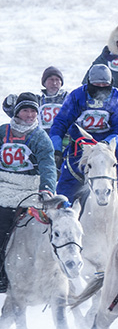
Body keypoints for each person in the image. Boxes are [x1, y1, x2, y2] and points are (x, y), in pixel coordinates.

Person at [49, 64, 118, 220]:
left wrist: (107, 143)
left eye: (104, 86)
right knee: (65, 186)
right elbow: (60, 122)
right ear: (89, 83)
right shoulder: (77, 96)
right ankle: (62, 220)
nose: (100, 89)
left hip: (109, 148)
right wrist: (56, 149)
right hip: (80, 148)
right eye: (97, 85)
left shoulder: (117, 97)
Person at [0, 93, 57, 292]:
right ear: (17, 112)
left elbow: (48, 165)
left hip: (29, 189)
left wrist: (47, 188)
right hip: (4, 186)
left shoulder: (40, 137)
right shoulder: (3, 132)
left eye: (33, 111)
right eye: (25, 110)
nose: (30, 115)